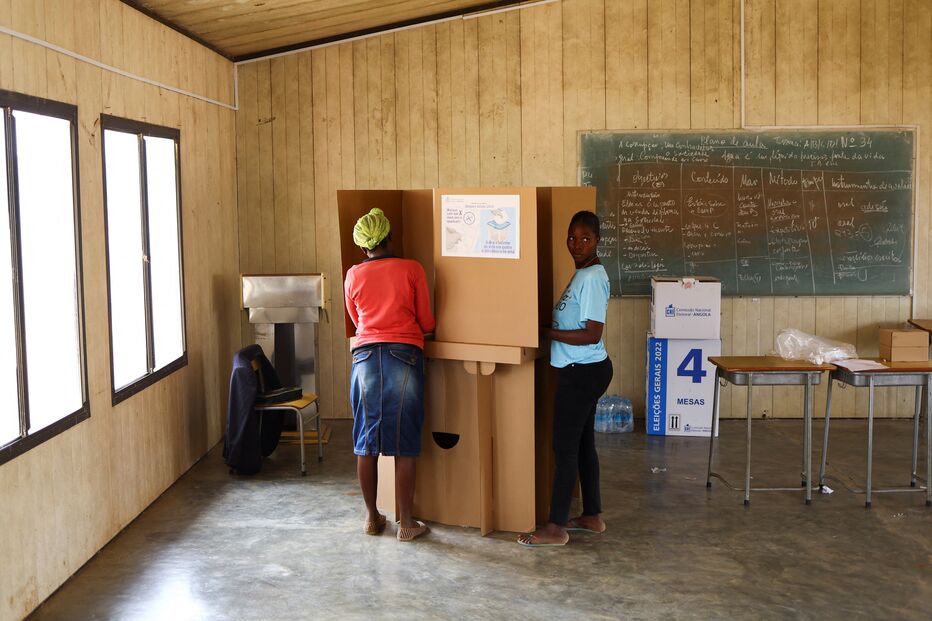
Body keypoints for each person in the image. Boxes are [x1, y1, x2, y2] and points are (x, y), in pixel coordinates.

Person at [518, 210, 613, 547]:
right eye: (572, 237)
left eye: (585, 238)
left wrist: (548, 333)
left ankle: (556, 527)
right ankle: (592, 516)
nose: (577, 244)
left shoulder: (593, 278)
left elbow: (592, 334)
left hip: (583, 372)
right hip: (582, 370)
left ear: (597, 240)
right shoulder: (583, 273)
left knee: (565, 448)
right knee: (583, 444)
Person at [344, 208, 436, 542]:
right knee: (404, 442)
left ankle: (372, 518)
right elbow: (427, 322)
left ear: (362, 246)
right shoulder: (412, 269)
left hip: (365, 357)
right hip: (404, 355)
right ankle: (407, 523)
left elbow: (356, 320)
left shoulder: (353, 275)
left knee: (366, 442)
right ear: (390, 237)